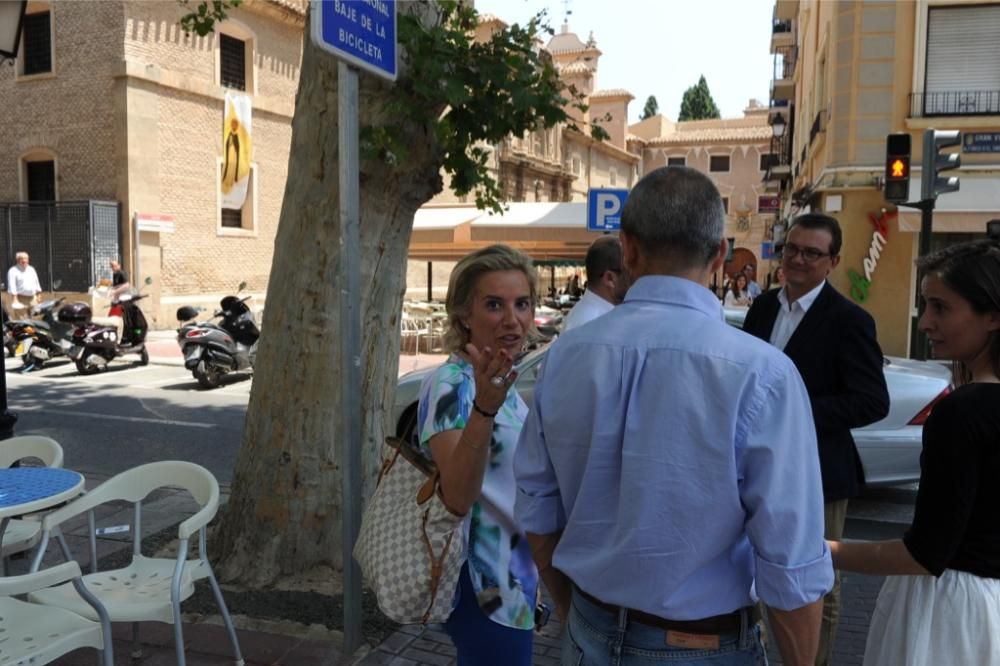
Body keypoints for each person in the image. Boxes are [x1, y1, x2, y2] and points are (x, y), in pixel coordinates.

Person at [514, 166, 832, 665]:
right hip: (701, 645)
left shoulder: (565, 357)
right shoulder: (762, 374)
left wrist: (574, 610)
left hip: (588, 631)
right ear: (720, 254)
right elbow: (790, 562)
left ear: (628, 250)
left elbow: (536, 506)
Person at [830, 240, 1000, 665]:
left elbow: (925, 553)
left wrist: (822, 551)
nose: (925, 322)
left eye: (941, 308)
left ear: (993, 316)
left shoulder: (961, 413)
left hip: (950, 614)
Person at [742, 213, 890, 666]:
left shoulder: (850, 320)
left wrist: (797, 412)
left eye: (812, 253)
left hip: (820, 472)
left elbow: (872, 401)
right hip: (756, 467)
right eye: (792, 249)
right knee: (753, 568)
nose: (798, 260)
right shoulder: (763, 307)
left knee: (815, 580)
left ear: (833, 262)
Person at [416, 244, 540, 665]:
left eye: (522, 304)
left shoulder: (499, 378)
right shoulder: (453, 384)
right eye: (494, 305)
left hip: (515, 574)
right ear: (463, 315)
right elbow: (457, 495)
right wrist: (484, 408)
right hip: (484, 581)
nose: (513, 319)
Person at [562, 236, 629, 331]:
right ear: (610, 278)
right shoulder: (593, 323)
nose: (635, 279)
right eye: (629, 272)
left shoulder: (589, 316)